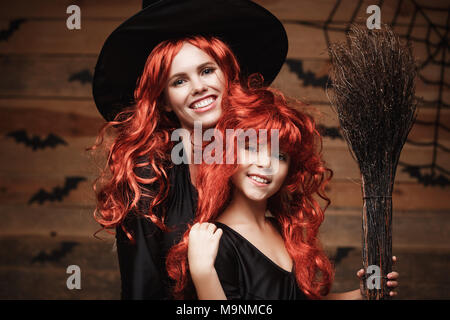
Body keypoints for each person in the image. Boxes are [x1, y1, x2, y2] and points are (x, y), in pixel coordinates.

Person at [89, 0, 289, 299]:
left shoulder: (260, 151)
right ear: (165, 100)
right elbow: (142, 287)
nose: (198, 86)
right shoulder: (148, 174)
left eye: (207, 71)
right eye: (179, 81)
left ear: (228, 76)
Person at [166, 84, 399, 300]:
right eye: (252, 147)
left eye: (280, 155)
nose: (266, 163)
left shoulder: (281, 229)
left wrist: (363, 292)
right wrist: (203, 273)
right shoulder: (215, 242)